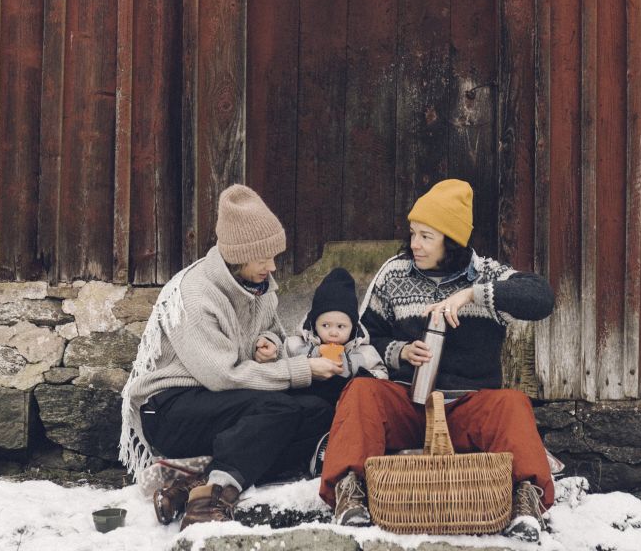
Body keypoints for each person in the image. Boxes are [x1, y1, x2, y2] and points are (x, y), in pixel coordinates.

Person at [317, 179, 557, 542]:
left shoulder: (486, 273)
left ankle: (527, 499)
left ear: (452, 241)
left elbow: (541, 298)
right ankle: (349, 494)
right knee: (362, 392)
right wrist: (399, 351)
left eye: (427, 236)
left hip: (468, 408)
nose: (415, 244)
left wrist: (473, 295)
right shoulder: (394, 273)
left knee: (512, 403)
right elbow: (363, 338)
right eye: (413, 233)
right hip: (408, 402)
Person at [119, 184, 342, 528]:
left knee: (318, 412)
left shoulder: (260, 287)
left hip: (225, 403)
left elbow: (275, 334)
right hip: (172, 409)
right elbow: (222, 376)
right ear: (237, 256)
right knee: (279, 408)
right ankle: (213, 496)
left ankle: (191, 481)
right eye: (262, 258)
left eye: (274, 256)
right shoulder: (196, 292)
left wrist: (269, 344)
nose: (272, 266)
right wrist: (300, 369)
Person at [281, 267, 388, 403]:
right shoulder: (295, 344)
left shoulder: (364, 352)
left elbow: (382, 375)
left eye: (341, 326)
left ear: (353, 327)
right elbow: (281, 367)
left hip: (342, 405)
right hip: (301, 401)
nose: (333, 332)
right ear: (314, 324)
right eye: (325, 325)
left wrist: (355, 371)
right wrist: (312, 356)